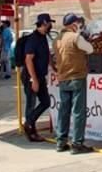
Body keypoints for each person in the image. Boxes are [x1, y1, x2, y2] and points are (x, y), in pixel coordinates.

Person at [54, 13, 94, 154]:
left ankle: (61, 141)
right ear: (73, 24)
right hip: (77, 77)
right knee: (78, 112)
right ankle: (77, 144)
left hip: (63, 77)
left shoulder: (57, 39)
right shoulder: (76, 37)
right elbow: (90, 49)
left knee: (63, 111)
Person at [22, 13, 54, 142]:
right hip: (31, 77)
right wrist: (34, 80)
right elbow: (28, 60)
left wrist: (53, 67)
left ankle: (29, 123)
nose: (51, 25)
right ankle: (31, 131)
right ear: (45, 23)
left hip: (40, 75)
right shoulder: (33, 39)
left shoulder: (43, 37)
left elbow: (46, 55)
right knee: (31, 103)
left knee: (46, 101)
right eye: (50, 23)